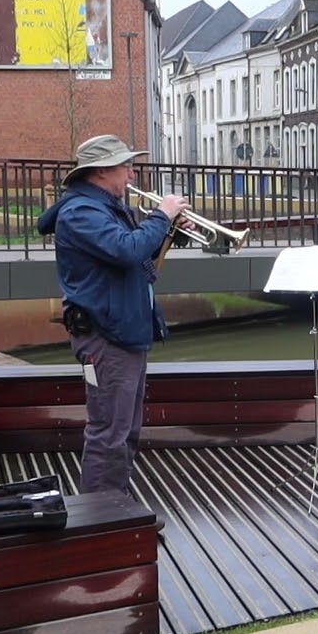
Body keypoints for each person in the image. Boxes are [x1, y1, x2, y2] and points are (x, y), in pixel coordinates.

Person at [36, 134, 191, 495]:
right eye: (126, 167)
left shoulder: (106, 208)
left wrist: (169, 231)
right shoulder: (81, 213)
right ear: (103, 171)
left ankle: (116, 513)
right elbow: (126, 250)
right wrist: (162, 214)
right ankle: (99, 523)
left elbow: (141, 263)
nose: (132, 176)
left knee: (126, 431)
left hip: (125, 331)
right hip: (106, 337)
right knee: (109, 433)